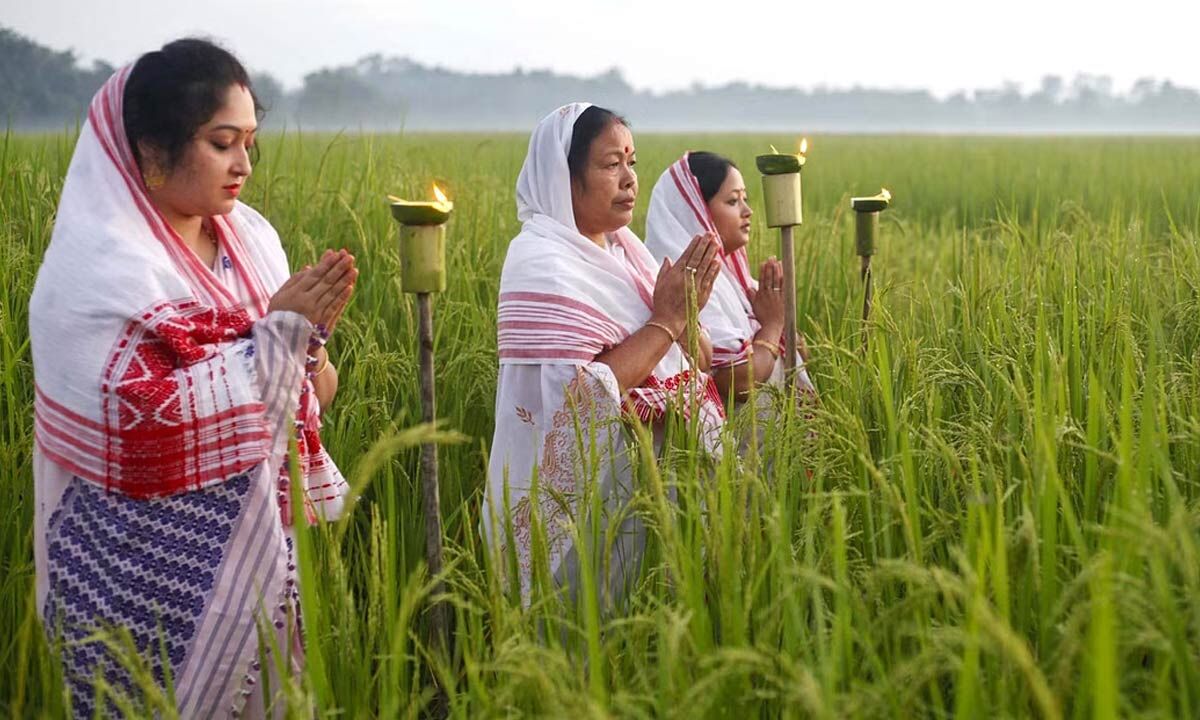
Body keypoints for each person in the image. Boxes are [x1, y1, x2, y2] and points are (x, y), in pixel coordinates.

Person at [28, 39, 355, 718]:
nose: (243, 165)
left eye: (249, 142)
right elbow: (141, 423)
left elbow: (311, 398)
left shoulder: (252, 240)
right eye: (221, 142)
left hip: (261, 561)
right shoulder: (96, 268)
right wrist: (272, 343)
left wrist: (305, 345)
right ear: (151, 152)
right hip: (136, 569)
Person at [483, 104, 726, 603]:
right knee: (584, 632)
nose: (629, 179)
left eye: (632, 163)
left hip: (649, 492)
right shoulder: (541, 262)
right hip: (581, 509)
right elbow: (582, 397)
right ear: (563, 177)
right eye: (610, 165)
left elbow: (697, 359)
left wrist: (687, 311)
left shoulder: (626, 252)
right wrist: (668, 319)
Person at [645, 151, 815, 413]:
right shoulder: (687, 283)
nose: (747, 211)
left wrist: (781, 319)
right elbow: (737, 382)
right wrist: (772, 325)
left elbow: (800, 352)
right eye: (733, 201)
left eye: (744, 199)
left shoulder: (736, 282)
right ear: (697, 212)